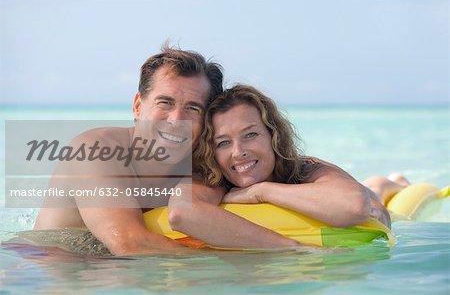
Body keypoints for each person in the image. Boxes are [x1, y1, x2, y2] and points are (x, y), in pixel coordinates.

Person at [33, 44, 224, 256]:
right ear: (137, 106)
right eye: (165, 103)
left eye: (193, 108)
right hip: (41, 277)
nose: (177, 120)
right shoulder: (93, 149)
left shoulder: (201, 167)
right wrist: (239, 261)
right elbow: (128, 243)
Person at [168, 84, 394, 249]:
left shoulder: (305, 169)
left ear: (273, 135)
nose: (238, 152)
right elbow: (180, 213)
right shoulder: (215, 180)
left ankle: (390, 182)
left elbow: (354, 206)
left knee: (378, 187)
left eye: (250, 134)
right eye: (224, 142)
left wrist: (261, 192)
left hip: (371, 198)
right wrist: (291, 247)